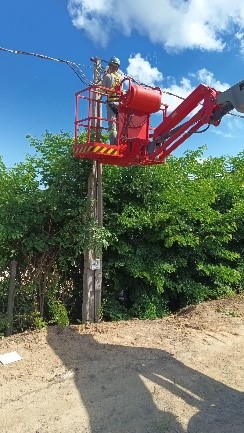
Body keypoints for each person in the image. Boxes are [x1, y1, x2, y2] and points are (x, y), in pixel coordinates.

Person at [102, 56, 124, 145]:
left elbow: (103, 90)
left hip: (111, 103)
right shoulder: (121, 77)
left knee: (112, 125)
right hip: (120, 103)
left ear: (110, 65)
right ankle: (120, 142)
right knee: (120, 124)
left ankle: (114, 143)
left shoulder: (107, 76)